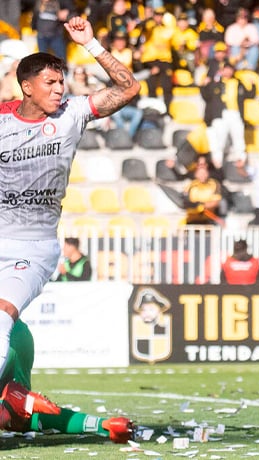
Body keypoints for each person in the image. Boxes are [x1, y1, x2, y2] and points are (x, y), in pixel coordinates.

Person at [0, 16, 139, 401]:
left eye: (62, 82)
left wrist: (91, 45)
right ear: (26, 87)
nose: (60, 89)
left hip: (32, 249)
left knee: (1, 317)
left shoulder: (72, 114)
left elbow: (129, 88)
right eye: (50, 82)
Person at [0, 320, 134, 442]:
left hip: (9, 335)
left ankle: (17, 403)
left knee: (16, 413)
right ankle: (105, 426)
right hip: (16, 332)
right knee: (22, 416)